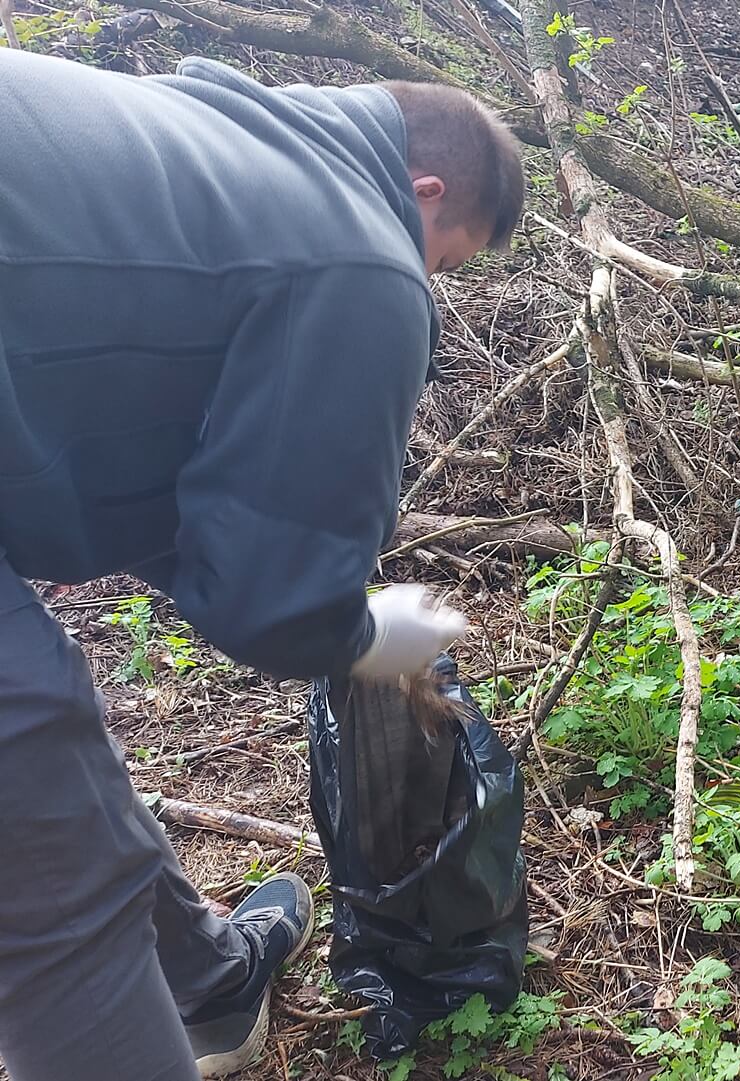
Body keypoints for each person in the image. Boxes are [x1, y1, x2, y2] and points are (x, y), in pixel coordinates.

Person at [0, 50, 525, 1080]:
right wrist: (368, 632)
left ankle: (209, 982)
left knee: (46, 742)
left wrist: (311, 595)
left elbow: (113, 424)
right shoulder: (360, 255)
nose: (426, 283)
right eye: (445, 261)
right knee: (47, 871)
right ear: (425, 191)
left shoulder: (215, 147)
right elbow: (270, 606)